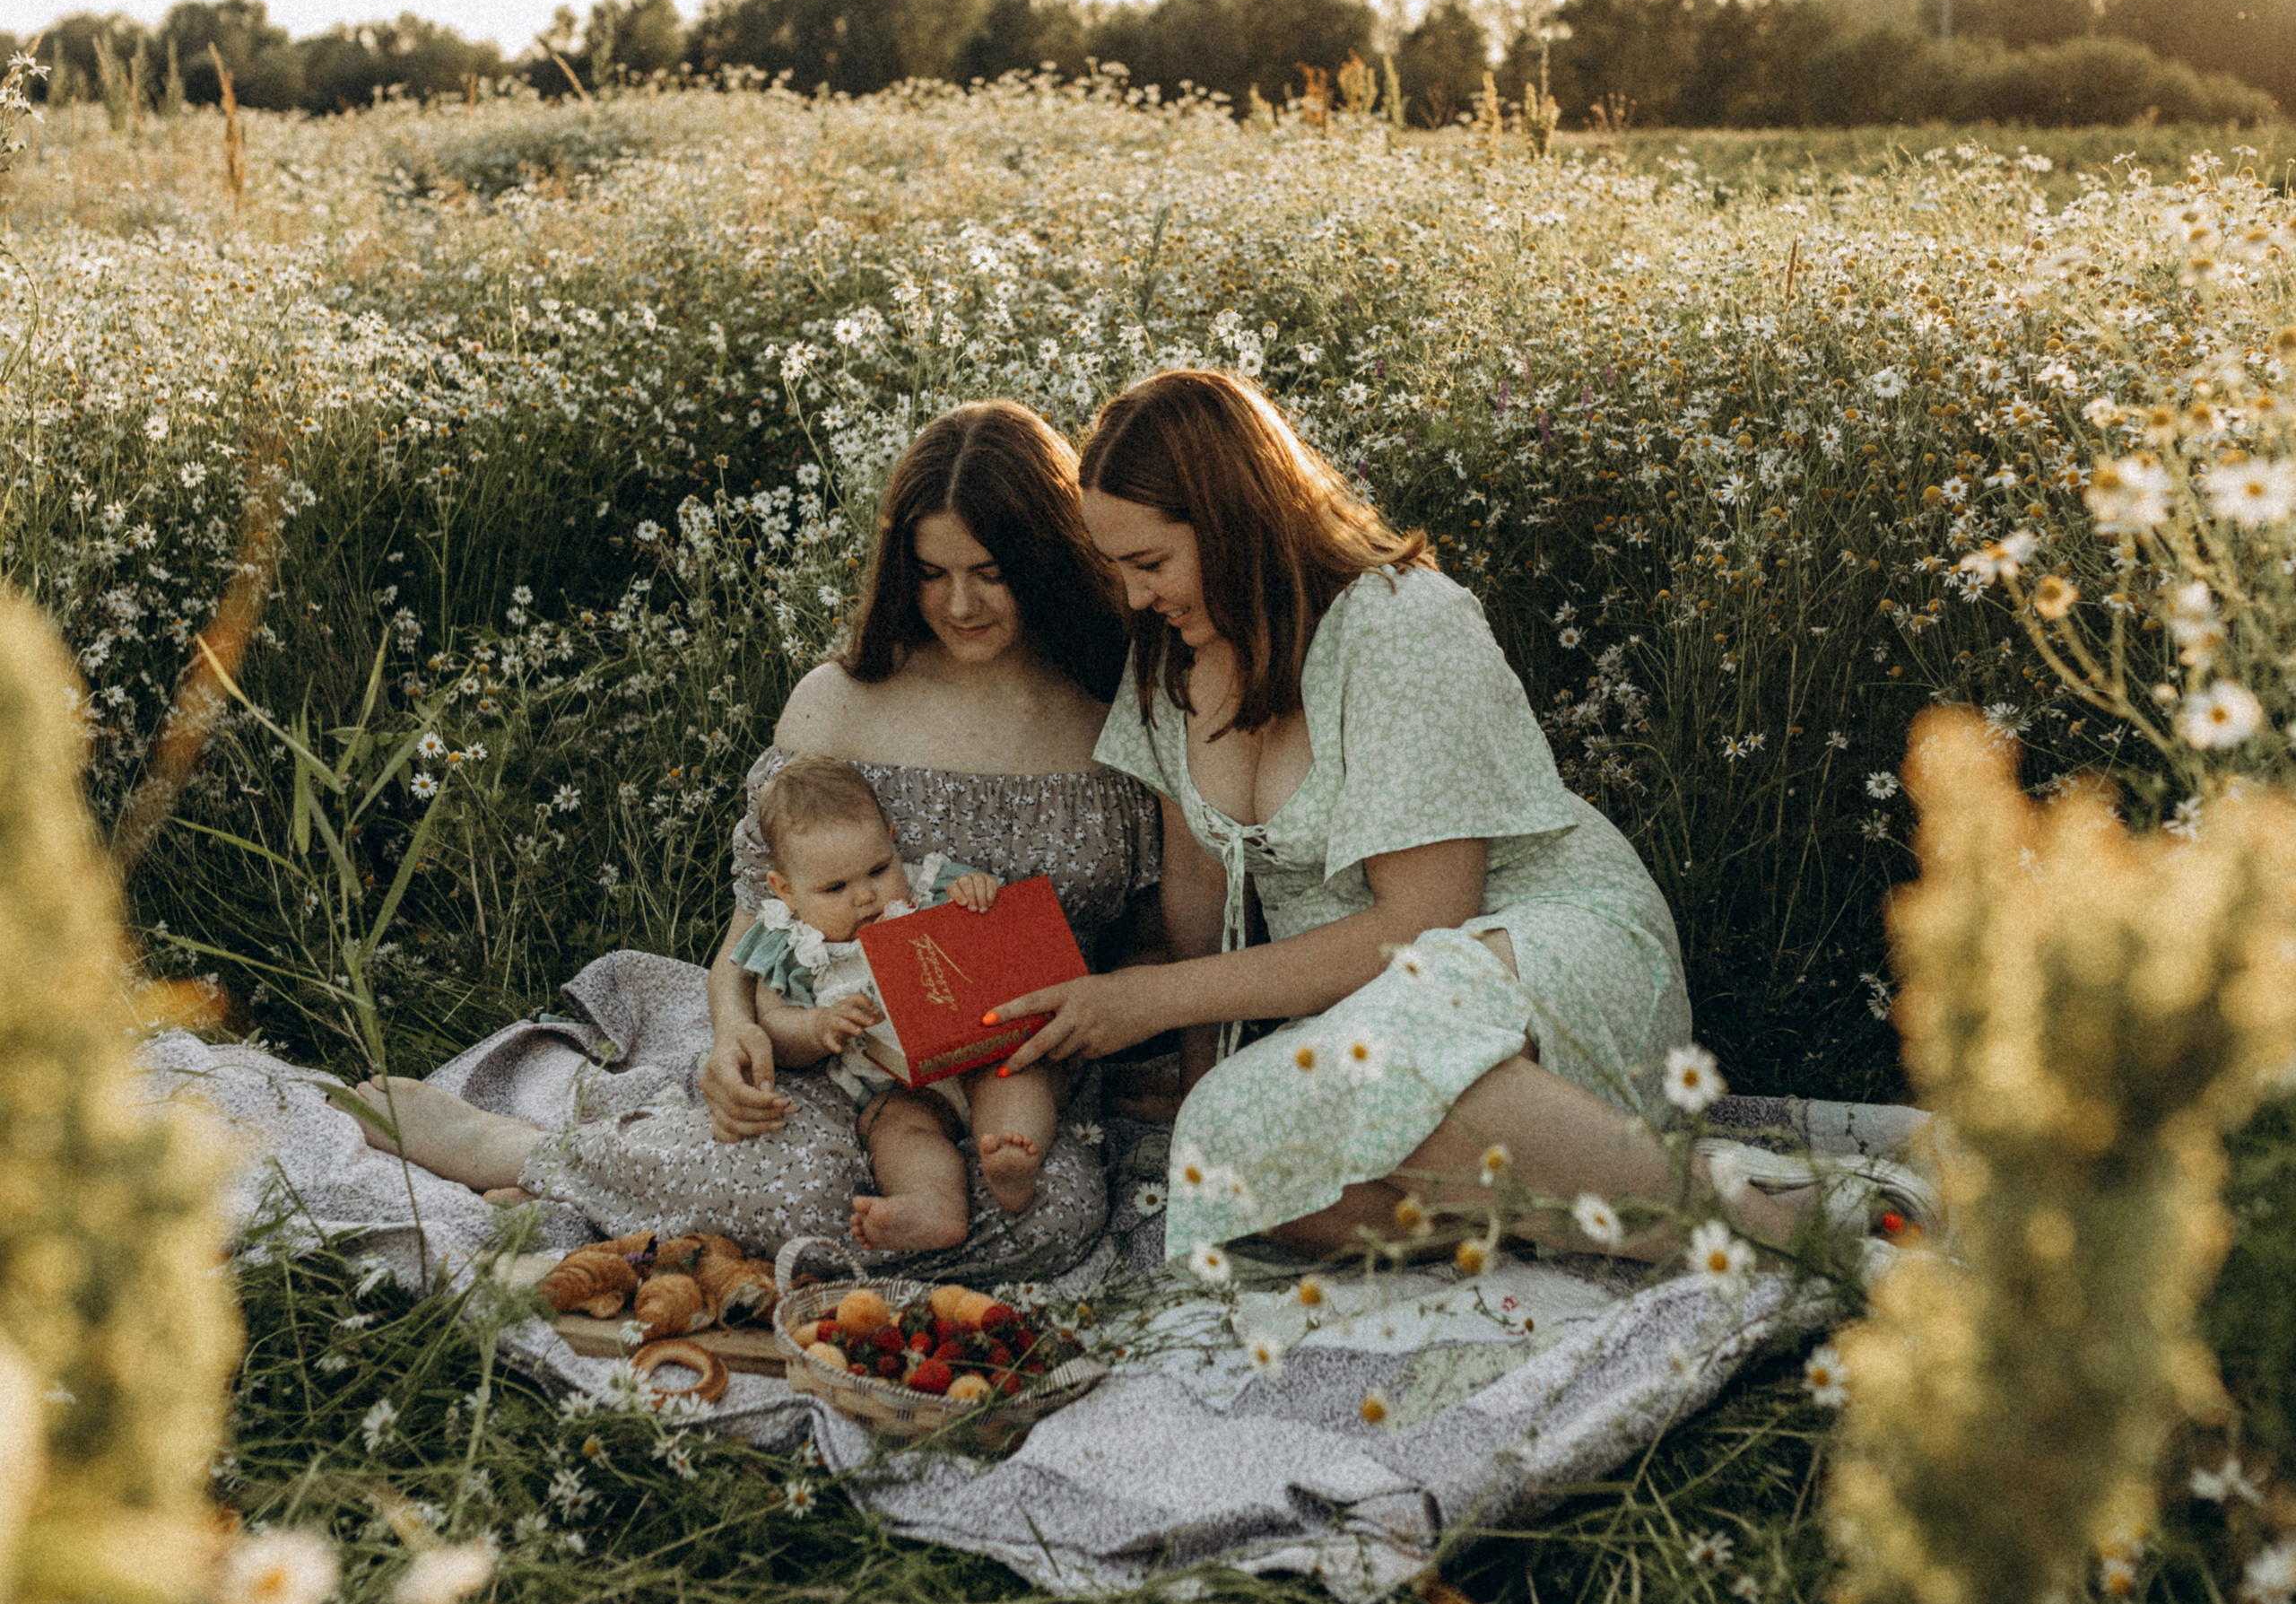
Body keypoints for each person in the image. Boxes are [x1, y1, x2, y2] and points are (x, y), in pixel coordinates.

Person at [985, 364, 1799, 1268]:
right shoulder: (1168, 659)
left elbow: (1423, 923)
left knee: (1395, 1060)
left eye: (1150, 564)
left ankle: (1790, 1240)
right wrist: (1197, 1078)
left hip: (1537, 941)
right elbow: (1197, 888)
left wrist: (1143, 1001)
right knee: (1221, 1154)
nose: (1136, 597)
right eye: (1118, 568)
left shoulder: (1400, 623)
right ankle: (1630, 1196)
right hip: (1372, 1008)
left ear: (1234, 526)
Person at [351, 401, 1159, 1285]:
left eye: (991, 574)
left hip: (1019, 1077)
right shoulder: (840, 702)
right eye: (932, 574)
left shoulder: (1122, 703)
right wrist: (733, 1034)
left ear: (1046, 559)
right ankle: (513, 1151)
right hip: (840, 1062)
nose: (959, 604)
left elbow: (1157, 937)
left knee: (1051, 1219)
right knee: (792, 1185)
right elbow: (757, 923)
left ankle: (644, 1187)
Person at [730, 753, 1069, 1244]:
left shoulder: (928, 888)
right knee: (892, 1131)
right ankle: (933, 1204)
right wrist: (817, 1027)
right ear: (786, 891)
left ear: (892, 841)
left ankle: (1013, 1156)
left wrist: (978, 892)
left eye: (877, 869)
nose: (865, 896)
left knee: (1018, 1077)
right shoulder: (793, 944)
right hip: (900, 1090)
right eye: (835, 888)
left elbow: (994, 932)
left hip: (979, 1051)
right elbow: (774, 1026)